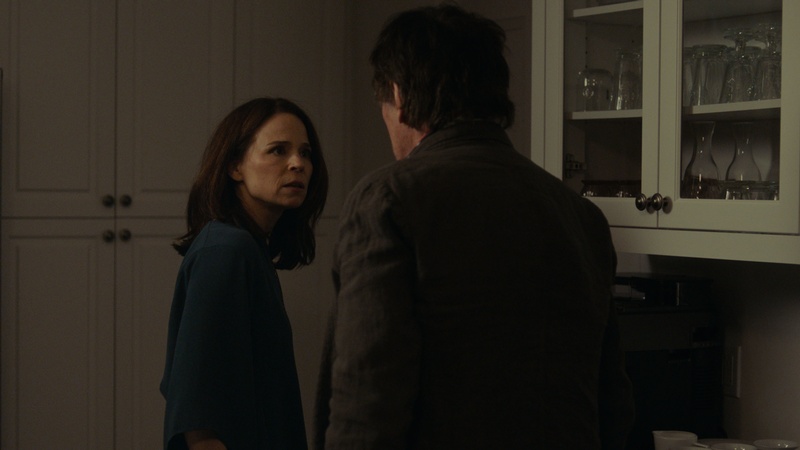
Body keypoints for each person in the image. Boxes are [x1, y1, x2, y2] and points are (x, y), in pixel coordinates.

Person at [314, 4, 634, 450]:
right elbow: (613, 403)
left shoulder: (388, 200)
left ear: (398, 96)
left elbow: (367, 403)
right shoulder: (581, 216)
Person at [161, 97, 328, 450]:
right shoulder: (225, 251)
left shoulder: (249, 250)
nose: (298, 163)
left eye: (305, 153)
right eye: (278, 150)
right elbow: (199, 420)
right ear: (235, 166)